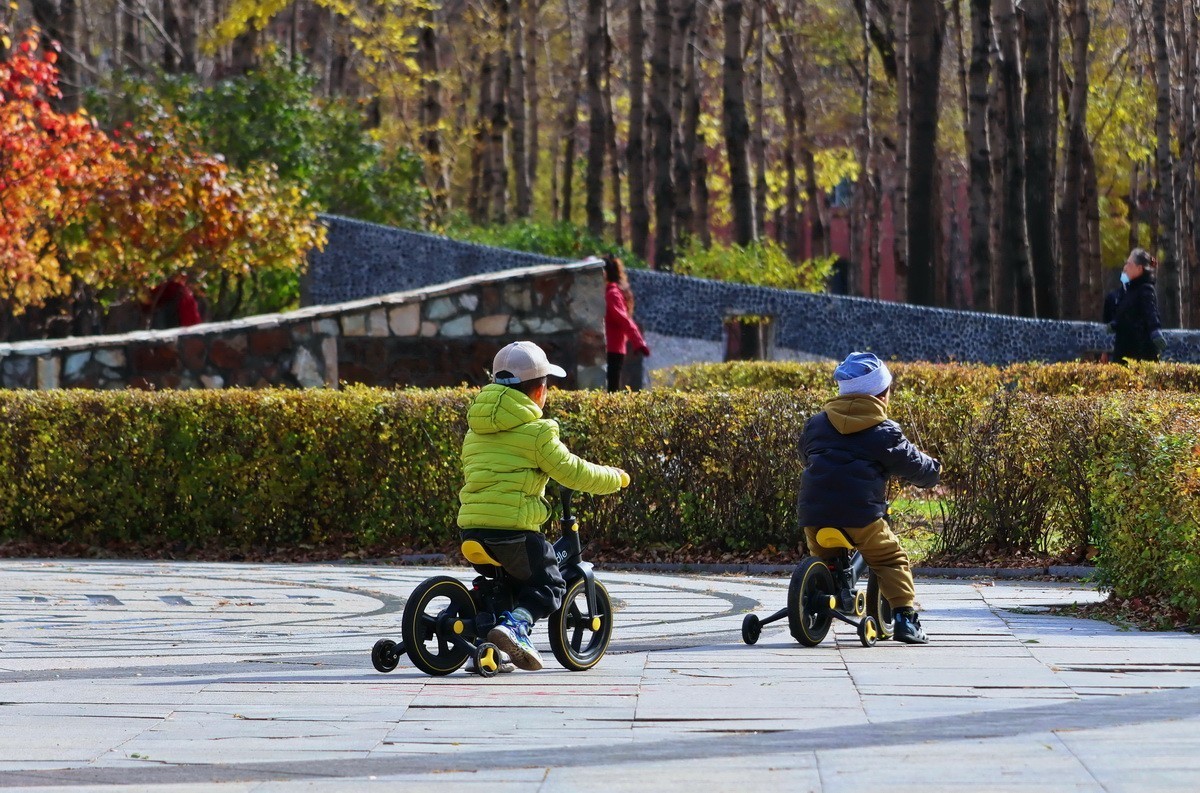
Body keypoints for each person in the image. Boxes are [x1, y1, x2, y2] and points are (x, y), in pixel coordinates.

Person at [458, 340, 630, 670]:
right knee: (548, 584)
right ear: (539, 391)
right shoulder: (537, 432)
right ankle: (516, 627)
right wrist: (615, 478)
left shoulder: (475, 431)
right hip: (515, 533)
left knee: (500, 587)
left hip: (472, 530)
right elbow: (573, 471)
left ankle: (484, 644)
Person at [797, 352, 941, 644]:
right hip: (861, 515)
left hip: (814, 513)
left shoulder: (816, 425)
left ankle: (826, 588)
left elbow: (804, 456)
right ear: (881, 394)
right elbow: (915, 465)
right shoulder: (883, 432)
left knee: (824, 558)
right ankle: (905, 620)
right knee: (890, 559)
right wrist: (933, 470)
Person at [1107, 247, 1167, 363]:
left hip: (1139, 349)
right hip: (1123, 348)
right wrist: (1115, 323)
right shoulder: (1128, 289)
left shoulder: (1145, 289)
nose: (1125, 268)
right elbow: (1124, 312)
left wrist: (1155, 331)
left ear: (1139, 269)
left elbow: (1151, 312)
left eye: (1129, 264)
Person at [603, 255, 650, 392]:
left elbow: (623, 318)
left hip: (612, 348)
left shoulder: (612, 294)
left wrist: (638, 342)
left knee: (611, 390)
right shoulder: (609, 292)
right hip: (611, 348)